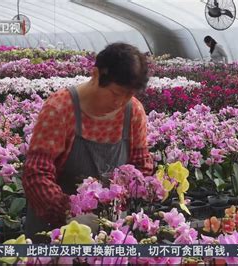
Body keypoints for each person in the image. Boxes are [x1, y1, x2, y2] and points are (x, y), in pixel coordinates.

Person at [22, 43, 154, 238]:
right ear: (96, 74)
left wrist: (141, 189)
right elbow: (37, 172)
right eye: (116, 94)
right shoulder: (61, 108)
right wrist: (67, 213)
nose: (121, 102)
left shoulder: (133, 112)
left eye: (130, 95)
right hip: (56, 229)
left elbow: (141, 165)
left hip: (110, 229)